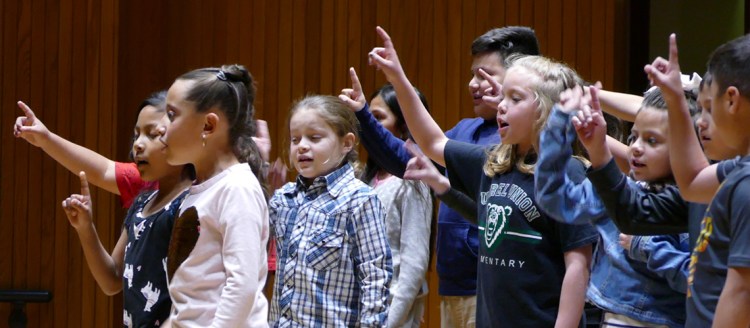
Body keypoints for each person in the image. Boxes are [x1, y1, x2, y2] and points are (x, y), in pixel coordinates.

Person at [368, 26, 597, 327]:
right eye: (503, 97)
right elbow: (433, 142)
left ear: (545, 111)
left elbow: (577, 266)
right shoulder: (492, 164)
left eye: (515, 99)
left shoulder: (569, 174)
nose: (501, 106)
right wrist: (398, 78)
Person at [340, 26, 541, 328]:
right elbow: (411, 162)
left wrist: (511, 102)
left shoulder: (526, 141)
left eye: (485, 74)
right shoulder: (464, 131)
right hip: (452, 288)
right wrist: (364, 116)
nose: (472, 83)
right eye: (472, 74)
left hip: (496, 288)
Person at [537, 85, 693, 327]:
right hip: (610, 314)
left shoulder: (691, 204)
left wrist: (645, 246)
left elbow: (697, 278)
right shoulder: (631, 188)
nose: (636, 147)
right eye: (633, 137)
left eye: (651, 140)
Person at [56, 92, 192, 327]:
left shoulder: (192, 203)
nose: (138, 144)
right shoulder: (141, 204)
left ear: (181, 138)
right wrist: (85, 227)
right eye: (136, 134)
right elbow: (111, 281)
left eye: (152, 134)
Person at [645, 33, 750, 327]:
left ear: (731, 99)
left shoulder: (747, 185)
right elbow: (692, 183)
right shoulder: (740, 170)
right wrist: (675, 100)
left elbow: (743, 293)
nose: (702, 120)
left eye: (708, 104)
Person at [159, 64, 269, 327]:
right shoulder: (201, 190)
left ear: (208, 125)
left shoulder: (237, 188)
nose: (162, 127)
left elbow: (242, 287)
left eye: (171, 115)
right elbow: (191, 299)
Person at [268, 95, 392, 327]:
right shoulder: (283, 199)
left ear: (346, 143)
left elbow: (375, 277)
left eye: (314, 138)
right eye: (295, 139)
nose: (302, 146)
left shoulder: (359, 200)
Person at [352, 83, 432, 327]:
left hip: (391, 314)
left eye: (377, 118)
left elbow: (414, 263)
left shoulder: (414, 181)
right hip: (361, 309)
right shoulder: (362, 179)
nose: (368, 126)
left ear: (403, 127)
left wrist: (390, 321)